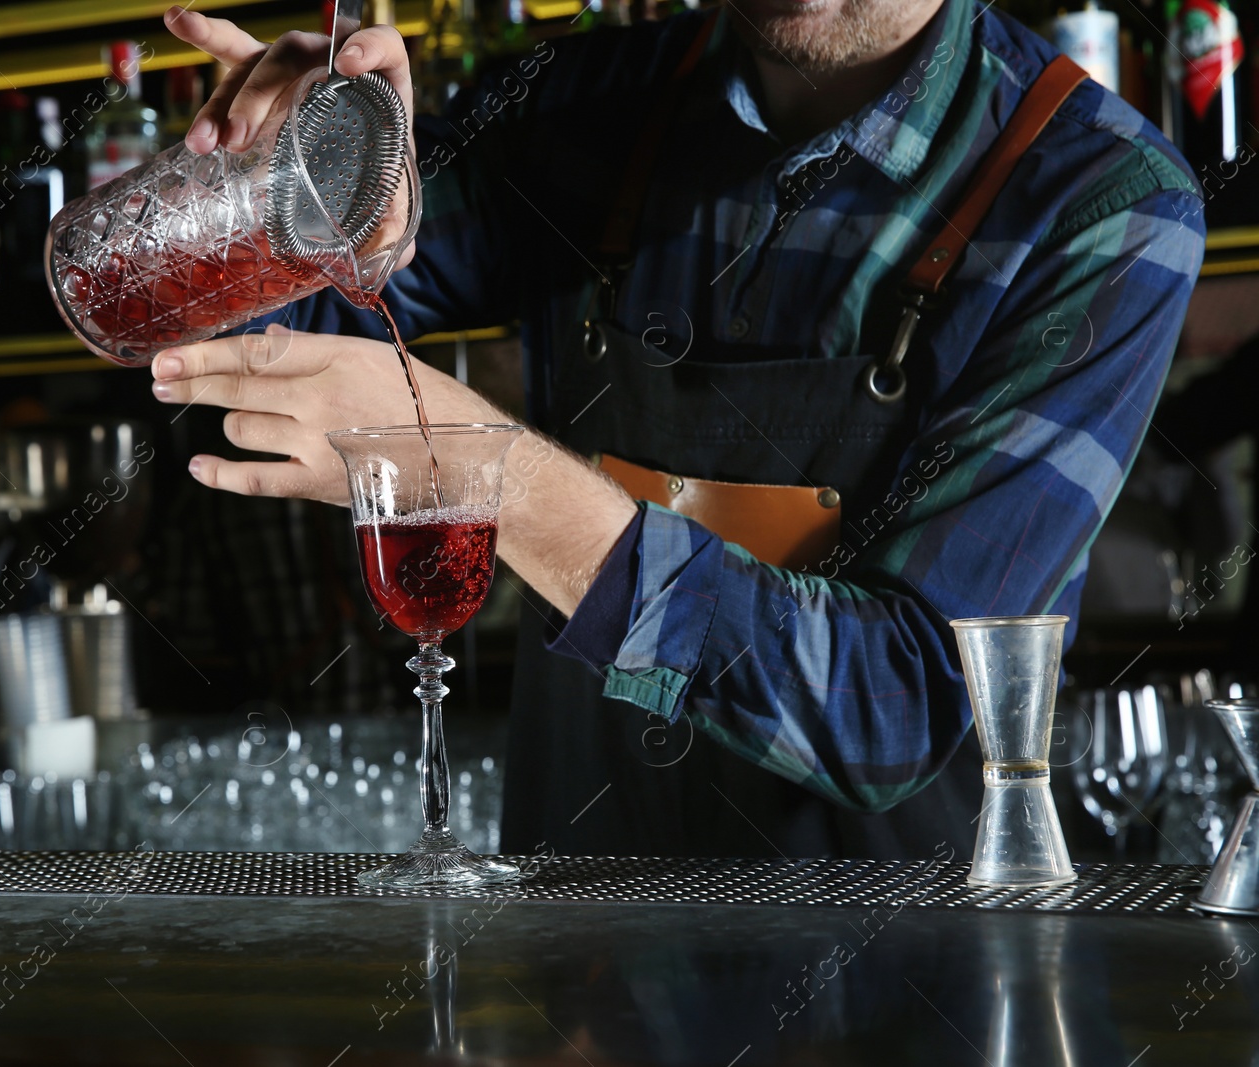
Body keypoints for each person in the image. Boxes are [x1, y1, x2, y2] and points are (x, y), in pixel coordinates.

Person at [150, 0, 1205, 858]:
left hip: (906, 988)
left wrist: (499, 479)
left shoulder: (1097, 200)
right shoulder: (580, 101)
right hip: (583, 975)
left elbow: (897, 704)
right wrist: (285, 183)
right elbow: (249, 352)